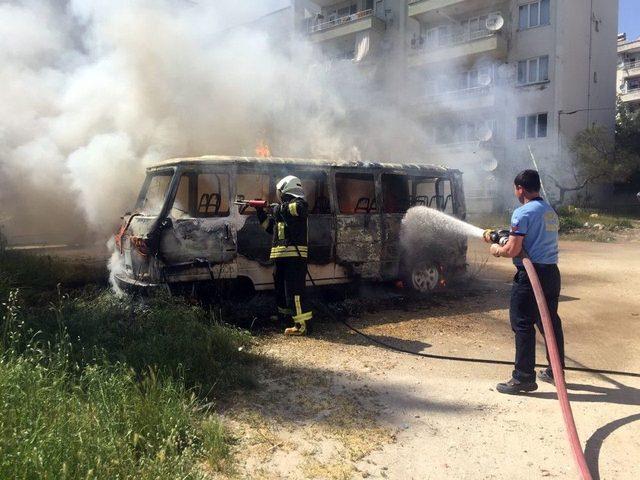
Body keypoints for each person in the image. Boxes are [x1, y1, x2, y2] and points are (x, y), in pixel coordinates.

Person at [487, 169, 565, 394]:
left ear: (520, 188)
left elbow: (513, 250)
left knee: (521, 322)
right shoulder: (550, 211)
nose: (515, 192)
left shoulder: (522, 213)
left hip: (531, 277)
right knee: (549, 323)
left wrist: (497, 249)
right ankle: (555, 371)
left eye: (515, 188)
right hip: (551, 273)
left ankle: (523, 378)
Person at [256, 175, 313, 336]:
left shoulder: (299, 204)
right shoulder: (282, 212)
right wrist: (260, 212)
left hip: (294, 257)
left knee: (294, 291)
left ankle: (302, 325)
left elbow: (299, 209)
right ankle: (286, 318)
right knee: (281, 289)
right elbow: (270, 228)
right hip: (281, 257)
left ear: (285, 190)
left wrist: (278, 209)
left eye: (280, 192)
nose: (278, 195)